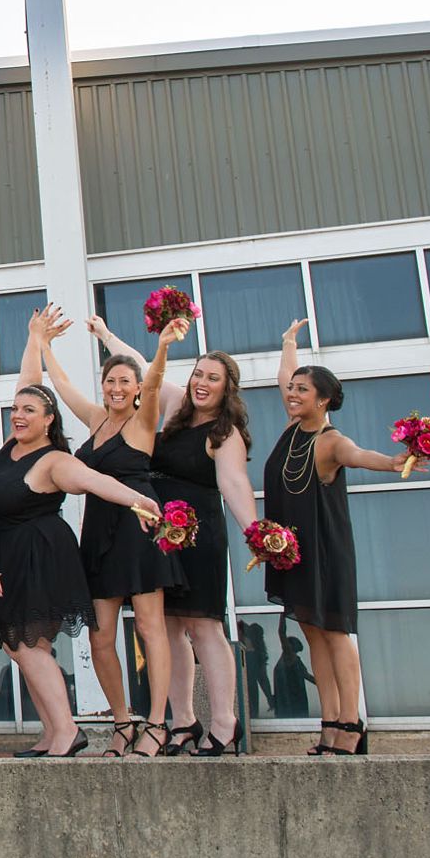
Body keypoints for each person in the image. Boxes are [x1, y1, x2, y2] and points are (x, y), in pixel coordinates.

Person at [0, 310, 161, 758]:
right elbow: (28, 382)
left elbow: (99, 483)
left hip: (40, 557)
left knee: (29, 645)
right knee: (21, 648)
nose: (18, 415)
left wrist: (138, 500)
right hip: (7, 554)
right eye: (16, 410)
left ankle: (67, 731)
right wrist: (34, 339)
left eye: (28, 411)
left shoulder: (56, 460)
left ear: (48, 420)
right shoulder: (11, 447)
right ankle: (54, 731)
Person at [90, 324, 259, 758]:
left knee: (205, 627)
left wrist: (255, 531)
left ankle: (224, 721)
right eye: (198, 374)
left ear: (227, 390)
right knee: (166, 629)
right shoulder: (174, 407)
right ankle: (183, 720)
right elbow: (144, 368)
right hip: (160, 534)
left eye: (212, 378)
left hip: (200, 533)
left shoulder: (225, 434)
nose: (202, 383)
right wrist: (107, 335)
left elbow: (235, 484)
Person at [36, 310, 187, 757]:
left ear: (137, 388)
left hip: (139, 528)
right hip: (99, 531)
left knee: (148, 626)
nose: (117, 389)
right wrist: (43, 346)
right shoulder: (97, 418)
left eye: (125, 382)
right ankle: (122, 722)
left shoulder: (144, 420)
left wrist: (160, 348)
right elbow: (61, 389)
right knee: (99, 635)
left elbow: (157, 381)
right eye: (110, 382)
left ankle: (158, 724)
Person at [267, 320, 416, 756]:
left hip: (326, 552)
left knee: (335, 633)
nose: (292, 395)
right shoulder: (293, 428)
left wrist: (393, 462)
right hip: (293, 554)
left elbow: (360, 455)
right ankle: (329, 721)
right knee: (313, 634)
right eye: (292, 389)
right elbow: (283, 377)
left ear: (325, 399)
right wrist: (289, 344)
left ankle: (351, 722)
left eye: (302, 391)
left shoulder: (331, 441)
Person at [273, 632, 316, 719]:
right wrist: (282, 619)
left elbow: (306, 675)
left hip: (295, 699)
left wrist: (324, 685)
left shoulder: (295, 660)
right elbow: (282, 634)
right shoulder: (289, 658)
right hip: (290, 699)